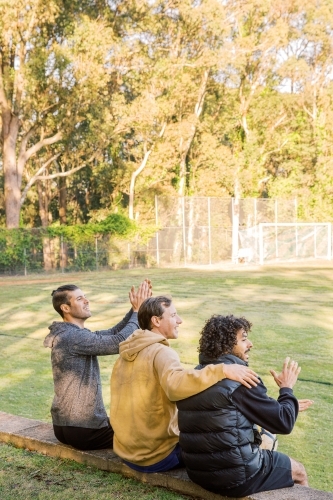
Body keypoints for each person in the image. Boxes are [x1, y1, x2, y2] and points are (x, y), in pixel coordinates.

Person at [110, 297, 260, 473]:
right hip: (155, 457)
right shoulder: (162, 352)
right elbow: (176, 386)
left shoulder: (126, 354)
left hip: (126, 452)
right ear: (156, 321)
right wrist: (222, 370)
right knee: (224, 445)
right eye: (173, 315)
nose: (179, 320)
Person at [177, 315, 314, 498]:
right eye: (243, 339)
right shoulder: (242, 379)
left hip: (198, 473)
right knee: (299, 471)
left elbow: (225, 409)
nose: (250, 344)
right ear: (226, 346)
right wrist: (286, 389)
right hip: (236, 477)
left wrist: (283, 405)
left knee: (264, 440)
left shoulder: (194, 375)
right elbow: (284, 423)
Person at [44, 280, 151, 451]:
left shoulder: (69, 334)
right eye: (79, 299)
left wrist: (135, 309)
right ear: (65, 308)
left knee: (126, 422)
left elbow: (113, 333)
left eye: (85, 297)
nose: (86, 301)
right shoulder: (72, 337)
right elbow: (119, 342)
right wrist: (138, 311)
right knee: (144, 434)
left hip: (65, 426)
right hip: (84, 430)